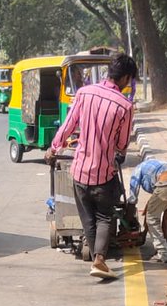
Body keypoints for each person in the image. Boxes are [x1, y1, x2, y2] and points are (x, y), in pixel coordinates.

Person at [46, 53, 138, 280]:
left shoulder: (84, 93)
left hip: (79, 171)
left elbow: (68, 125)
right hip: (103, 173)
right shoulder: (125, 106)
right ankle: (99, 259)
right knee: (104, 217)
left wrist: (54, 148)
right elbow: (122, 144)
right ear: (125, 78)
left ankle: (94, 252)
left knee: (88, 217)